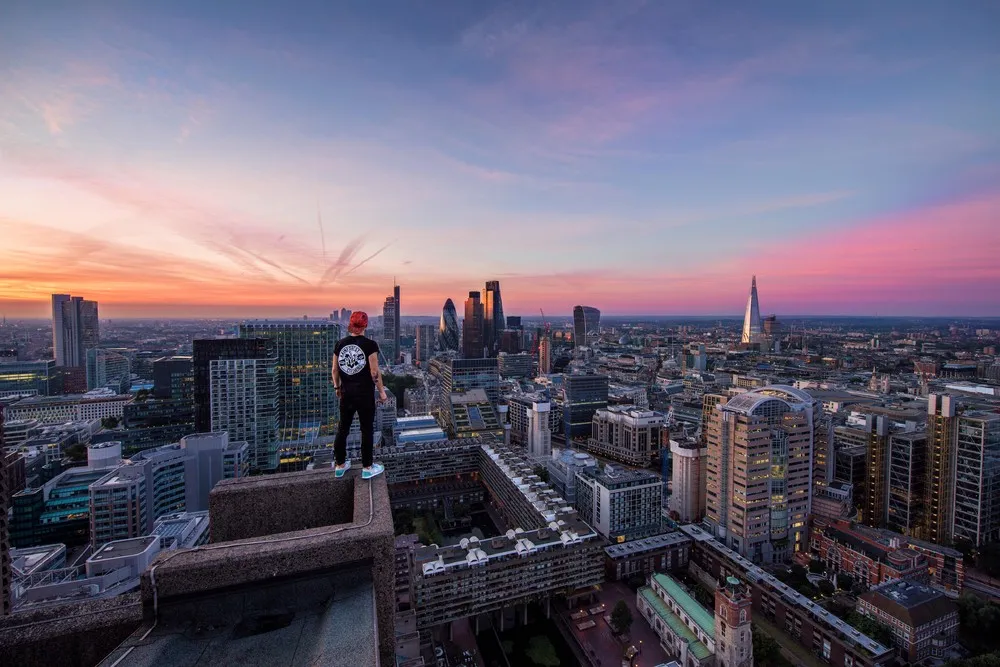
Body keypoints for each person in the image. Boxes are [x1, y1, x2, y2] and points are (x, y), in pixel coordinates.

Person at [332, 311, 387, 479]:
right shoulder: (370, 345)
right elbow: (374, 372)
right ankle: (367, 467)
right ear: (366, 325)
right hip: (364, 395)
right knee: (367, 430)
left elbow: (335, 370)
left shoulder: (340, 344)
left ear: (350, 324)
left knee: (343, 429)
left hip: (346, 394)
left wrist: (337, 387)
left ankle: (340, 465)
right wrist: (382, 392)